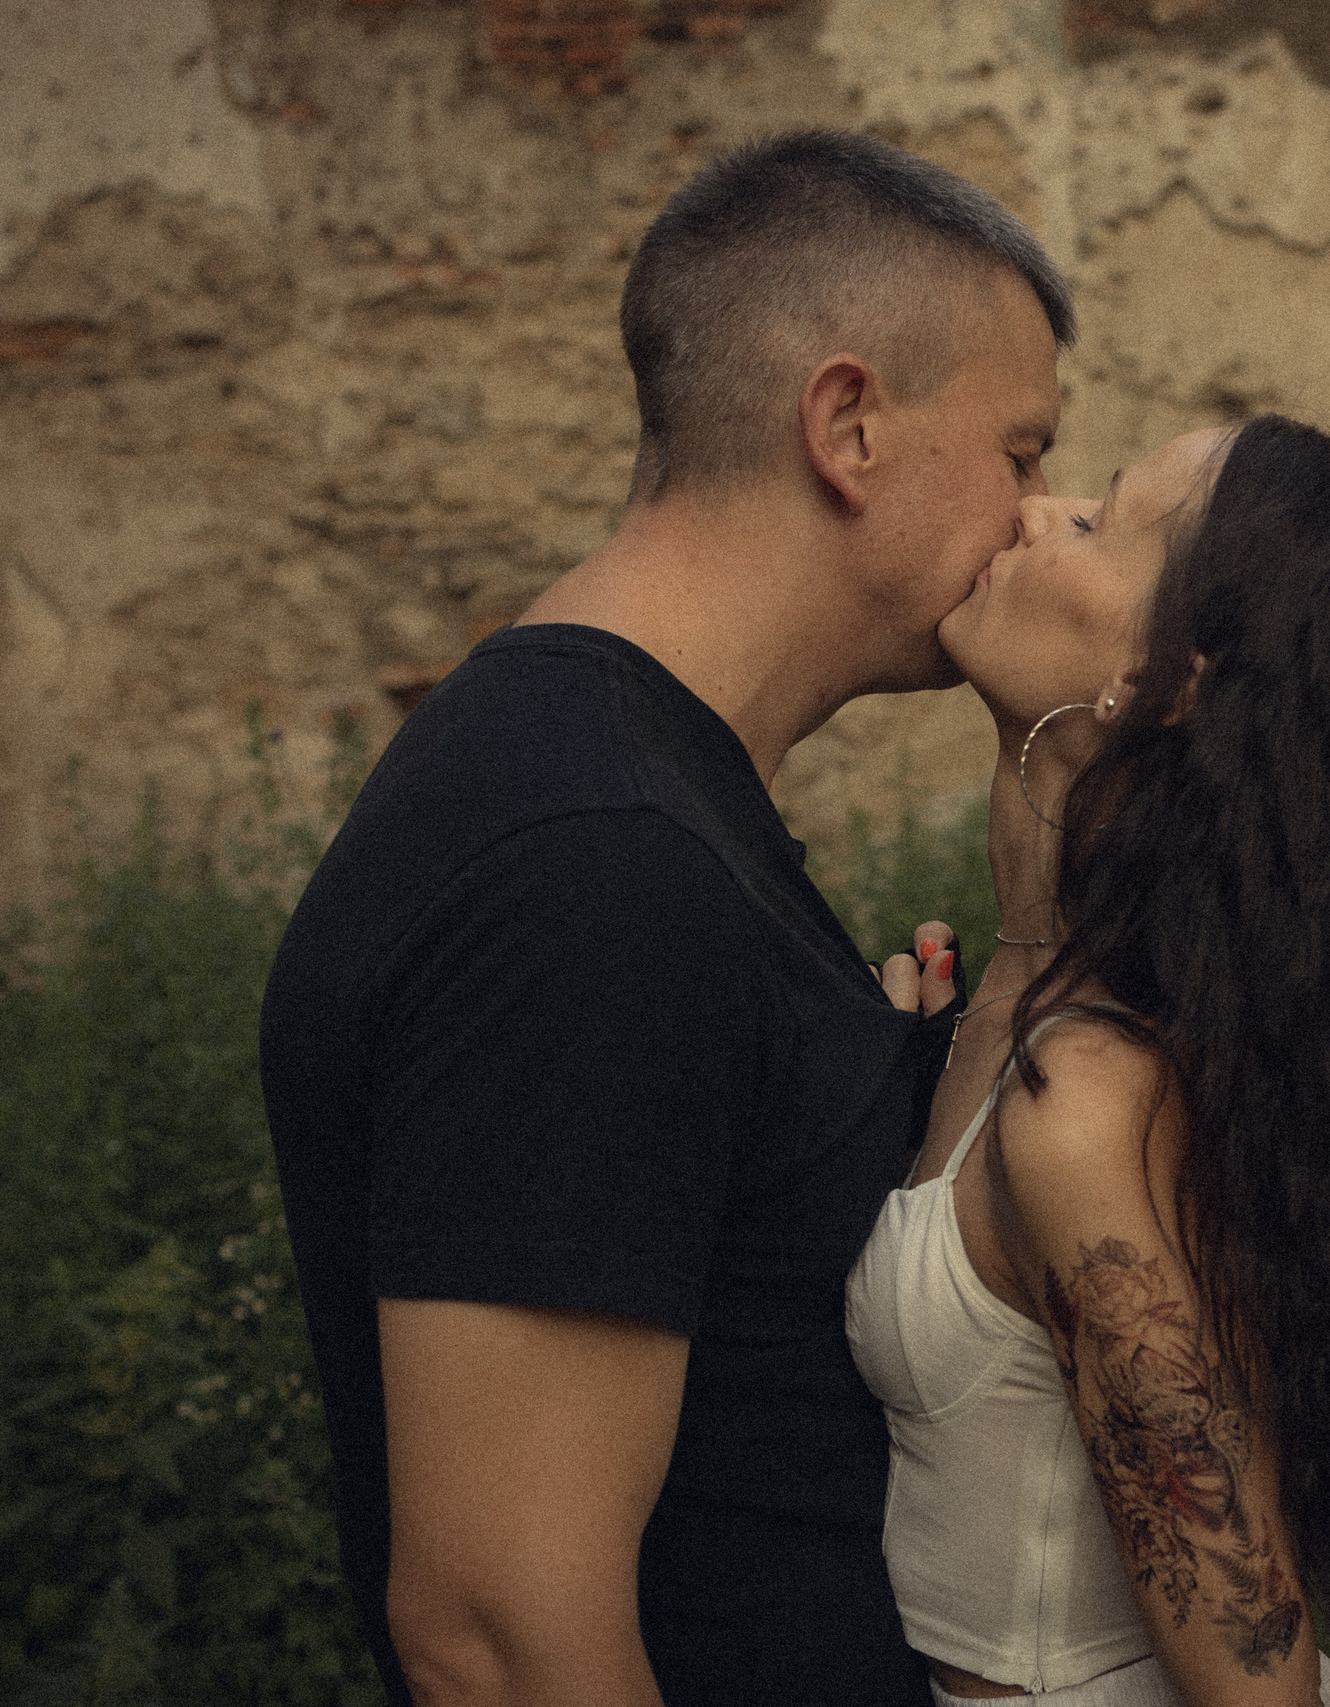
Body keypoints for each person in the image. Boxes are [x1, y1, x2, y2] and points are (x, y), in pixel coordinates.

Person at [260, 130, 1072, 1707]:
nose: (1040, 515)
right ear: (848, 423)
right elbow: (497, 1636)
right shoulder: (598, 861)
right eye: (1024, 452)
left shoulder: (628, 797)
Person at [846, 416, 1330, 1706]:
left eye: (1102, 519)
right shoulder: (1036, 988)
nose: (1035, 509)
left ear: (1166, 683)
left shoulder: (1093, 1106)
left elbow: (1254, 1686)